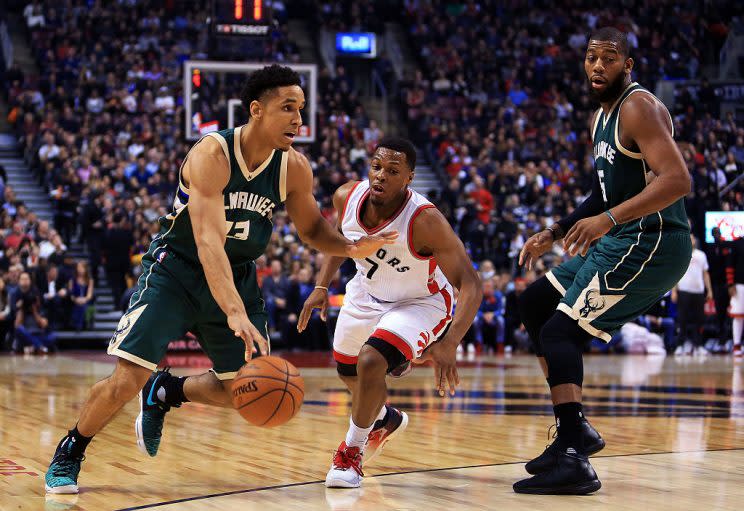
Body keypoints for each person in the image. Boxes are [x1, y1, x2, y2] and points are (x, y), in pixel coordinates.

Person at [44, 65, 396, 494]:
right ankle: (72, 449)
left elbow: (312, 231)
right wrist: (234, 311)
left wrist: (349, 248)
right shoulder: (211, 155)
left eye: (301, 109)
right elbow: (208, 241)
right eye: (288, 108)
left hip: (240, 275)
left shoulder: (294, 167)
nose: (298, 120)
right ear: (256, 110)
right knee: (126, 378)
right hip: (177, 270)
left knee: (246, 388)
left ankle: (167, 391)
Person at [515, 27, 692, 494]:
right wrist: (553, 232)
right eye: (591, 57)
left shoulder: (638, 107)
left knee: (559, 331)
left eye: (608, 58)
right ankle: (574, 433)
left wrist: (609, 220)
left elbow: (677, 180)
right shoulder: (600, 119)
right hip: (623, 238)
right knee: (534, 304)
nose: (597, 66)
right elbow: (602, 192)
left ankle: (575, 458)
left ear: (627, 66)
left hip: (653, 240)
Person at [299, 137, 482, 489]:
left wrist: (451, 342)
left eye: (393, 171)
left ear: (409, 178)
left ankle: (350, 454)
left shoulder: (425, 221)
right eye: (377, 167)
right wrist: (322, 286)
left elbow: (471, 282)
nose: (381, 176)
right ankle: (384, 418)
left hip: (419, 302)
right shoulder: (346, 196)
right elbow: (342, 240)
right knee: (349, 374)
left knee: (371, 362)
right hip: (366, 293)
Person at [672, 234, 712, 355]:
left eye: (693, 238)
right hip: (683, 291)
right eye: (689, 238)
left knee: (699, 320)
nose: (691, 240)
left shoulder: (701, 255)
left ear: (695, 241)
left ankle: (698, 346)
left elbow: (705, 274)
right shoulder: (680, 254)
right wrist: (674, 290)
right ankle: (680, 345)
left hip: (698, 292)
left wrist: (709, 290)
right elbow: (675, 273)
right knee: (682, 320)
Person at [727, 235, 744, 357]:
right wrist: (730, 284)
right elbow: (729, 264)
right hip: (739, 285)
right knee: (738, 316)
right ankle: (737, 345)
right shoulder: (737, 243)